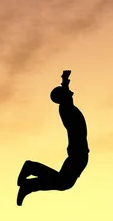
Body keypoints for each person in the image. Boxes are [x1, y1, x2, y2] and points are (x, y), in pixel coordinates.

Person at [16, 70, 89, 206]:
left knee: (62, 182)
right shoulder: (66, 108)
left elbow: (67, 95)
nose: (71, 94)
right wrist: (65, 79)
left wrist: (65, 81)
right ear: (62, 97)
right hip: (78, 154)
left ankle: (30, 181)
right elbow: (66, 96)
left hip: (78, 153)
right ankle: (31, 171)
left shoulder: (67, 107)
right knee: (64, 183)